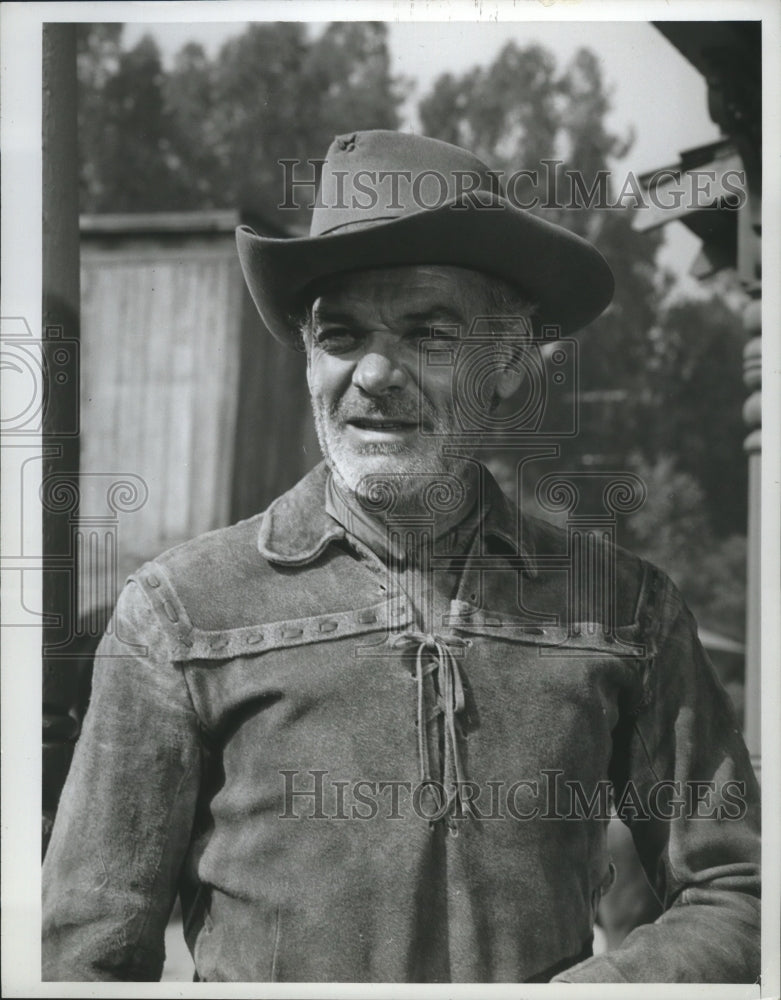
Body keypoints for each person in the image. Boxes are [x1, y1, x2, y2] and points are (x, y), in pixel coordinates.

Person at [42, 130, 760, 983]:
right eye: (340, 335)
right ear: (308, 360)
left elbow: (738, 888)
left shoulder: (622, 611)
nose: (374, 372)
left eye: (427, 333)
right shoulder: (180, 611)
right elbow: (82, 960)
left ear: (508, 365)